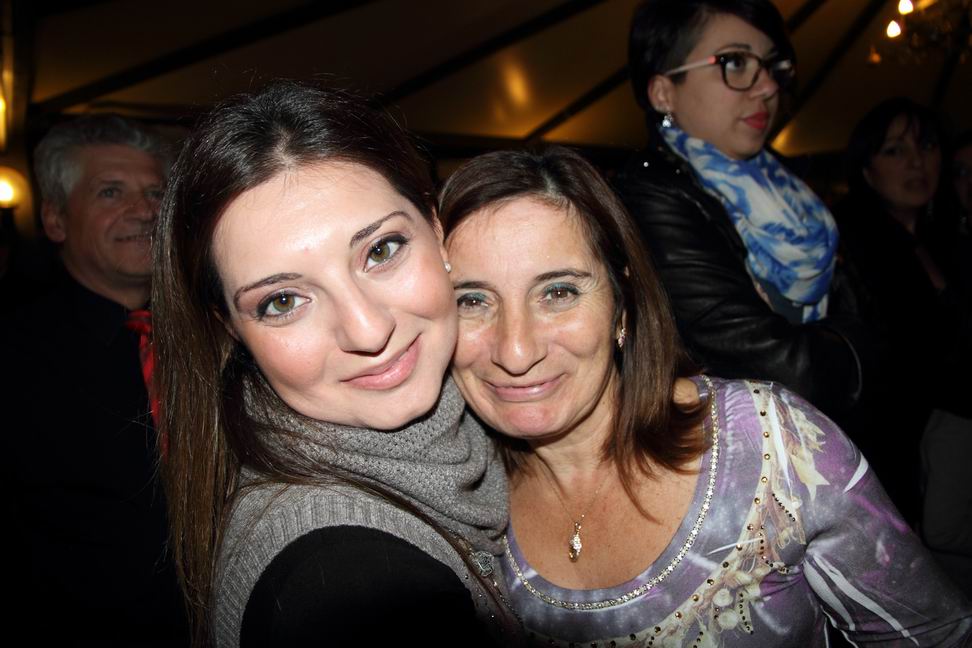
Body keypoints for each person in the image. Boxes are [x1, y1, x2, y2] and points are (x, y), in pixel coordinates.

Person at [438, 145, 972, 646]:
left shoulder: (773, 445)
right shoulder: (453, 500)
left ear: (622, 306)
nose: (515, 350)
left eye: (559, 292)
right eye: (472, 300)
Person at [151, 81, 515, 647]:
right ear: (231, 329)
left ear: (436, 227)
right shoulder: (346, 587)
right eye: (283, 301)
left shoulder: (488, 426)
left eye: (381, 250)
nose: (368, 331)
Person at [613, 0, 867, 424]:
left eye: (770, 65)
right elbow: (786, 373)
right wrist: (866, 349)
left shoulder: (789, 188)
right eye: (734, 62)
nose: (766, 86)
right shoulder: (649, 197)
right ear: (663, 92)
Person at [0, 115, 187, 645]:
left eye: (155, 192)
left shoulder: (215, 339)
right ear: (55, 219)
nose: (146, 210)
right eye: (111, 191)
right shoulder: (14, 359)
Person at [837, 98, 972, 582]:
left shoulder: (949, 236)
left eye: (927, 146)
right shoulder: (853, 250)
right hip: (895, 455)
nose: (917, 162)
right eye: (895, 150)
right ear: (867, 170)